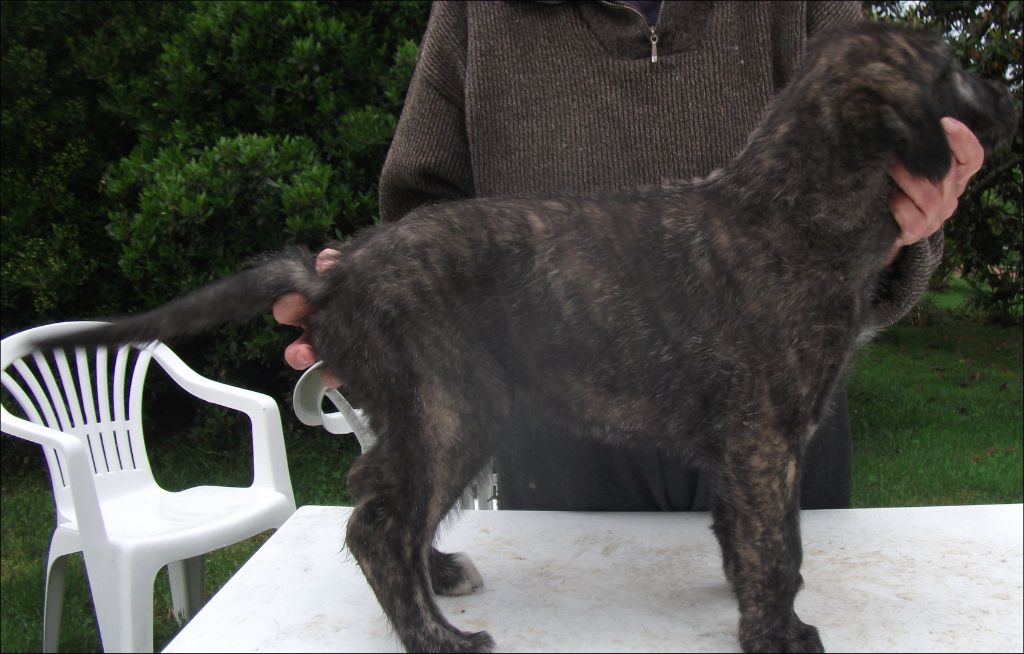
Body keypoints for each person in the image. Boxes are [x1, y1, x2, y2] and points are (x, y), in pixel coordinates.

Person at [273, 1, 984, 511]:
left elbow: (873, 194)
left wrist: (902, 224)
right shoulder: (475, 12)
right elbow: (427, 214)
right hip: (557, 424)